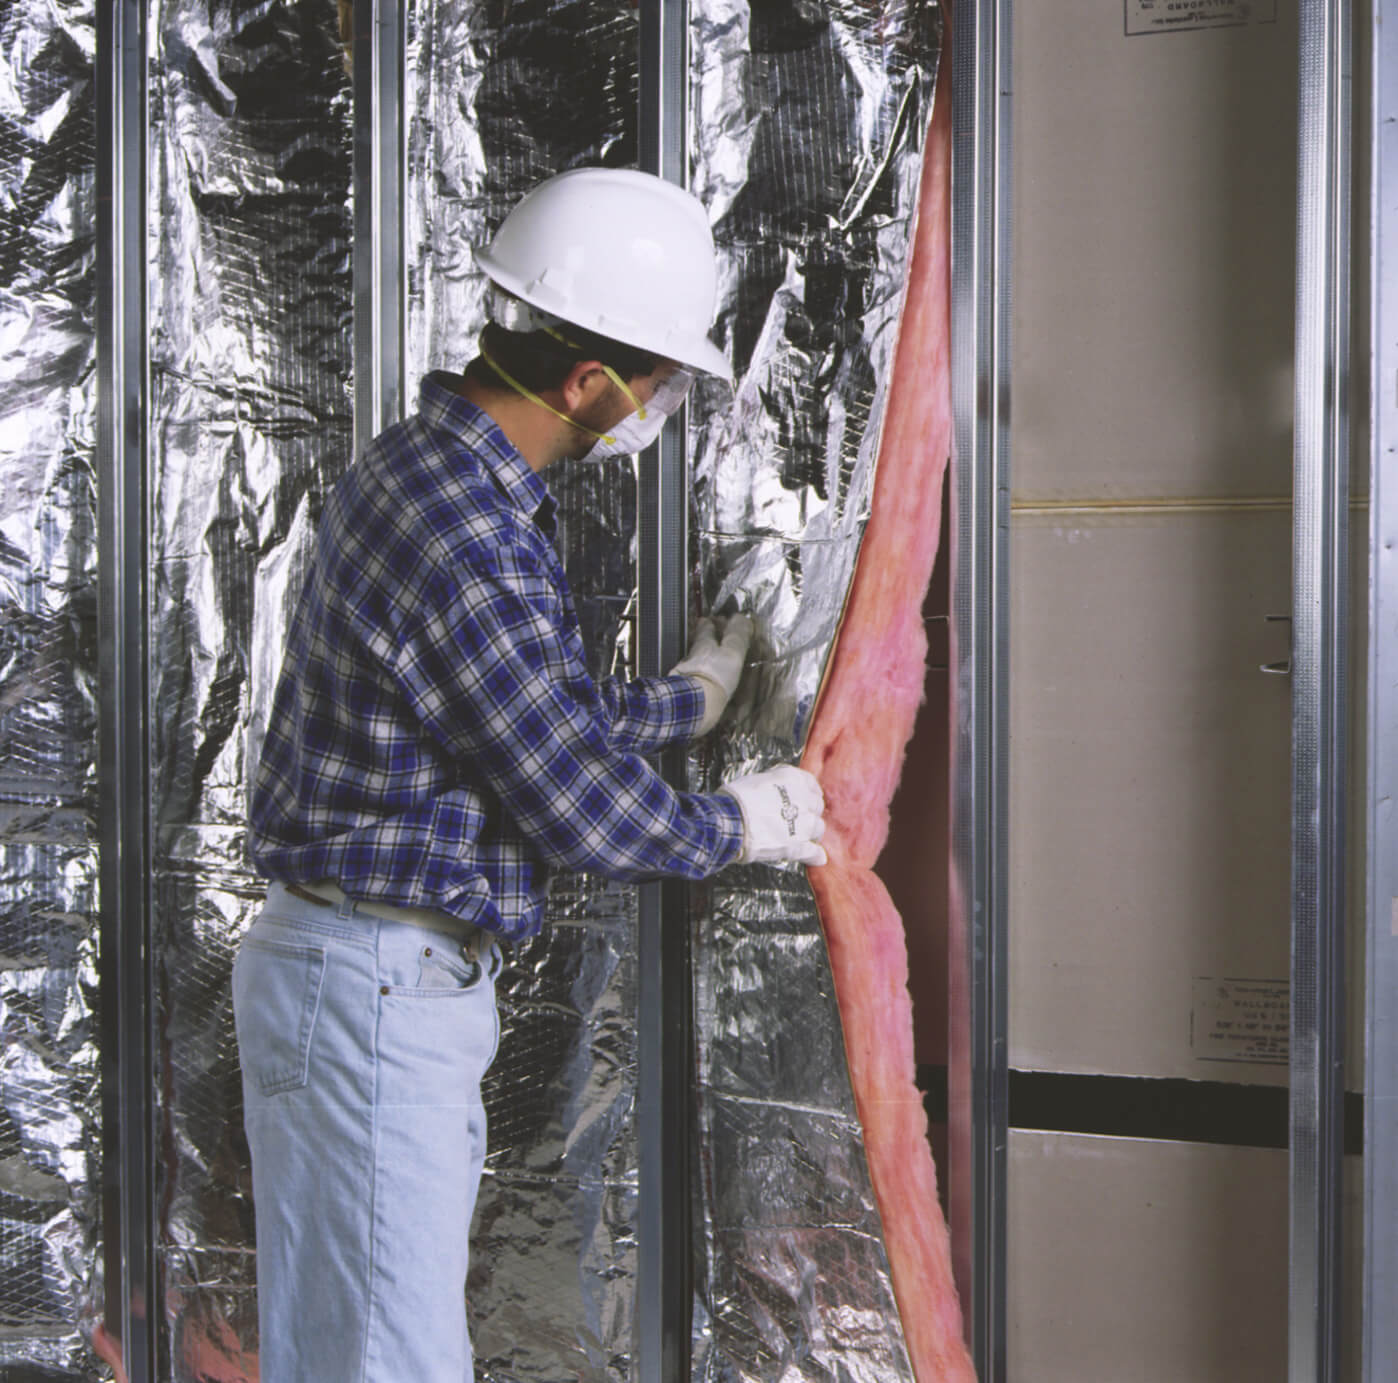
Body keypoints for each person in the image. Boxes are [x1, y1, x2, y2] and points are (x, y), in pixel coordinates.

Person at [232, 167, 827, 1383]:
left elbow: (518, 711)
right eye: (655, 383)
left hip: (361, 979)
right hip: (376, 990)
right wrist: (740, 825)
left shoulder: (432, 475)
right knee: (389, 1362)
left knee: (343, 1354)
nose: (653, 408)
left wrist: (686, 700)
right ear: (586, 382)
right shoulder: (470, 529)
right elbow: (570, 803)